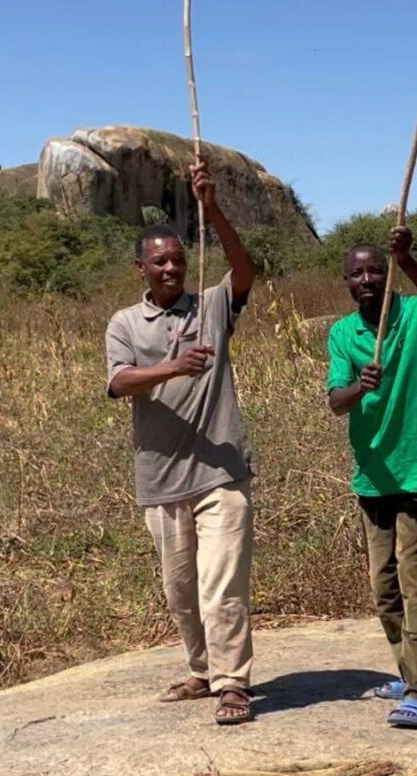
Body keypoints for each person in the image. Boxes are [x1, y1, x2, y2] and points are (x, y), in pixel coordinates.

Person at [105, 159, 258, 725]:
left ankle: (233, 683)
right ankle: (202, 669)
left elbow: (245, 270)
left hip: (221, 472)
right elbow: (119, 382)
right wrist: (173, 367)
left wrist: (212, 209)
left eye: (178, 259)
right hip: (161, 477)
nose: (171, 268)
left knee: (223, 585)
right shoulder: (124, 323)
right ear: (141, 267)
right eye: (160, 261)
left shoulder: (210, 304)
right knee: (181, 590)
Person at [327, 226, 417, 729]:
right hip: (372, 476)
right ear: (345, 281)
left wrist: (410, 262)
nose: (367, 278)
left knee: (416, 582)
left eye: (375, 270)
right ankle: (409, 670)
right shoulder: (342, 334)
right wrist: (360, 387)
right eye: (357, 272)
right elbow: (336, 403)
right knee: (385, 590)